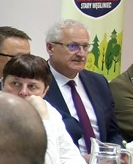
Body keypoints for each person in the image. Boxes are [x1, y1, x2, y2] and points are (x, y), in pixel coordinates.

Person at [1, 54, 87, 164]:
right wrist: (43, 119)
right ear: (2, 84)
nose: (23, 92)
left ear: (45, 91)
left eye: (32, 86)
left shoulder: (49, 110)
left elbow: (76, 161)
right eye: (15, 84)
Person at [43, 19, 122, 153]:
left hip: (103, 162)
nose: (81, 54)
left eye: (85, 47)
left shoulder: (99, 82)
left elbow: (113, 131)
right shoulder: (36, 84)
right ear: (50, 48)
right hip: (63, 163)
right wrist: (80, 160)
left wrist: (114, 153)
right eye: (73, 46)